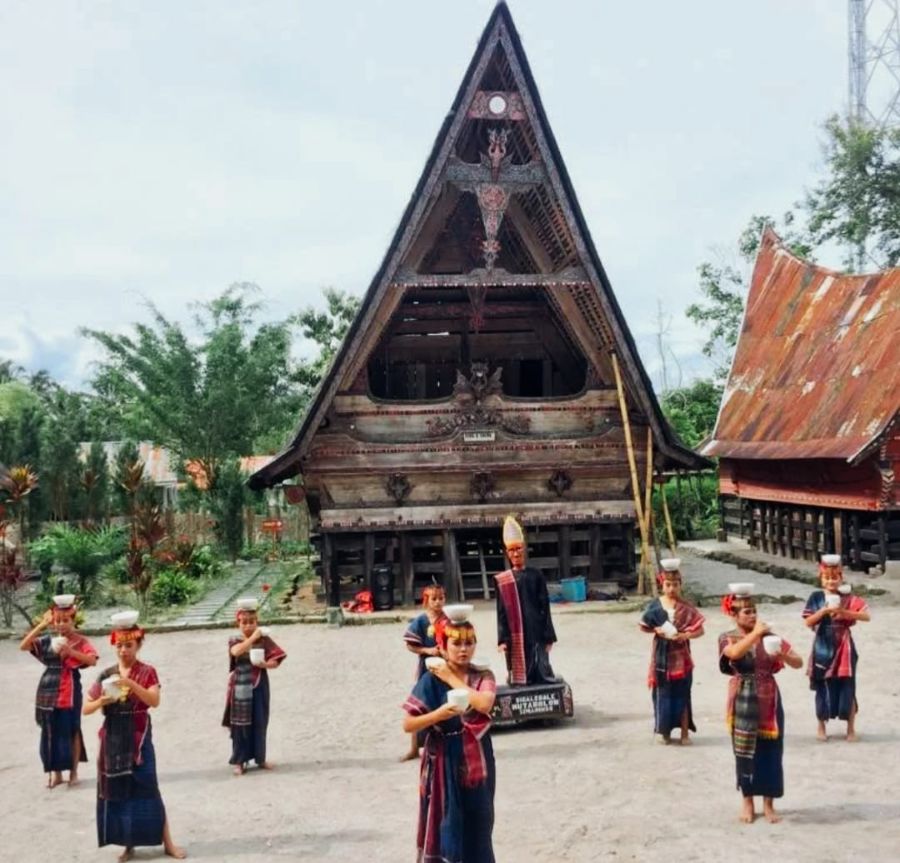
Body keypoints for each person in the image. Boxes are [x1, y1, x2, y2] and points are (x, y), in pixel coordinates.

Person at [83, 611, 185, 862]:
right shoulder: (106, 675)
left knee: (149, 787)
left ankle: (168, 843)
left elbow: (155, 701)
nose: (123, 650)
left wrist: (130, 683)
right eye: (119, 645)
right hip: (113, 738)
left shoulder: (147, 672)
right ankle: (128, 845)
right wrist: (103, 700)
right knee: (120, 790)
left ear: (138, 645)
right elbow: (85, 708)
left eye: (129, 645)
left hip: (138, 736)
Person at [402, 615, 497, 863]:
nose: (463, 650)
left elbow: (484, 703)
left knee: (479, 823)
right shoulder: (430, 680)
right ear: (443, 647)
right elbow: (408, 724)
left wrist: (450, 677)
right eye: (456, 644)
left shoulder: (482, 675)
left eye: (469, 643)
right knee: (444, 823)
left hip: (478, 759)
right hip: (442, 758)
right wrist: (438, 715)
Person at [719, 587, 802, 824]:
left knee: (772, 752)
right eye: (746, 612)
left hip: (769, 698)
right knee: (744, 752)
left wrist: (782, 657)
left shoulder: (770, 638)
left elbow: (798, 661)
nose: (752, 616)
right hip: (742, 697)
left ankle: (768, 804)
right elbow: (734, 654)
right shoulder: (728, 637)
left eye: (754, 611)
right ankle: (747, 801)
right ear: (734, 615)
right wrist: (755, 634)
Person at [19, 594, 98, 787]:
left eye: (65, 620)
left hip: (70, 687)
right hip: (48, 687)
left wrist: (71, 652)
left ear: (73, 621)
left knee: (72, 729)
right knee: (50, 730)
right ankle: (56, 773)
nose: (61, 625)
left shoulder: (80, 641)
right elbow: (24, 645)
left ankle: (73, 772)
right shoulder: (48, 640)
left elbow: (92, 660)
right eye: (57, 621)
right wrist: (40, 626)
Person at [802, 553, 870, 742]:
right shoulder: (815, 597)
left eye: (835, 577)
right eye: (827, 577)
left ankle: (850, 728)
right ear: (821, 578)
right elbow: (807, 621)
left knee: (848, 686)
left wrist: (843, 612)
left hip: (844, 646)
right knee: (822, 686)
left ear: (841, 578)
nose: (831, 581)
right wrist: (823, 611)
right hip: (822, 645)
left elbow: (866, 616)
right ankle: (821, 726)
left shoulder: (847, 598)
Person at [638, 559, 705, 745]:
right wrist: (656, 631)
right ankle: (664, 732)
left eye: (675, 584)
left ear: (680, 585)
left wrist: (685, 635)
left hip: (682, 657)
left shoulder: (687, 607)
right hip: (661, 657)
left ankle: (685, 733)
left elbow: (700, 630)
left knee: (683, 694)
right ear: (662, 584)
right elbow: (644, 626)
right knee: (663, 694)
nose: (672, 588)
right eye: (668, 584)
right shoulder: (655, 606)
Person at [222, 597, 287, 774]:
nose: (248, 626)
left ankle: (260, 758)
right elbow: (236, 652)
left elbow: (277, 658)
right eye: (244, 622)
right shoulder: (235, 639)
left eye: (252, 622)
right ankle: (239, 761)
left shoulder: (264, 640)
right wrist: (253, 638)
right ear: (238, 623)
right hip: (240, 685)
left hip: (259, 683)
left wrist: (265, 665)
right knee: (240, 724)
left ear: (257, 622)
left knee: (260, 721)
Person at [495, 516, 557, 686]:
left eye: (518, 549)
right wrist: (502, 638)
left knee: (539, 660)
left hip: (535, 626)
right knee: (518, 661)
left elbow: (545, 606)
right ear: (507, 553)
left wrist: (549, 635)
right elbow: (501, 612)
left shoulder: (536, 575)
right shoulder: (503, 580)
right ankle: (519, 679)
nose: (515, 553)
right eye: (511, 550)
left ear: (524, 550)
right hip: (514, 629)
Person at [401, 584, 447, 761]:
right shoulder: (421, 621)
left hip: (445, 669)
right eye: (434, 599)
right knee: (418, 707)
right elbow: (410, 645)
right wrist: (428, 651)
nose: (438, 602)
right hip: (425, 669)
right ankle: (413, 748)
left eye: (441, 598)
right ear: (426, 601)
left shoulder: (447, 620)